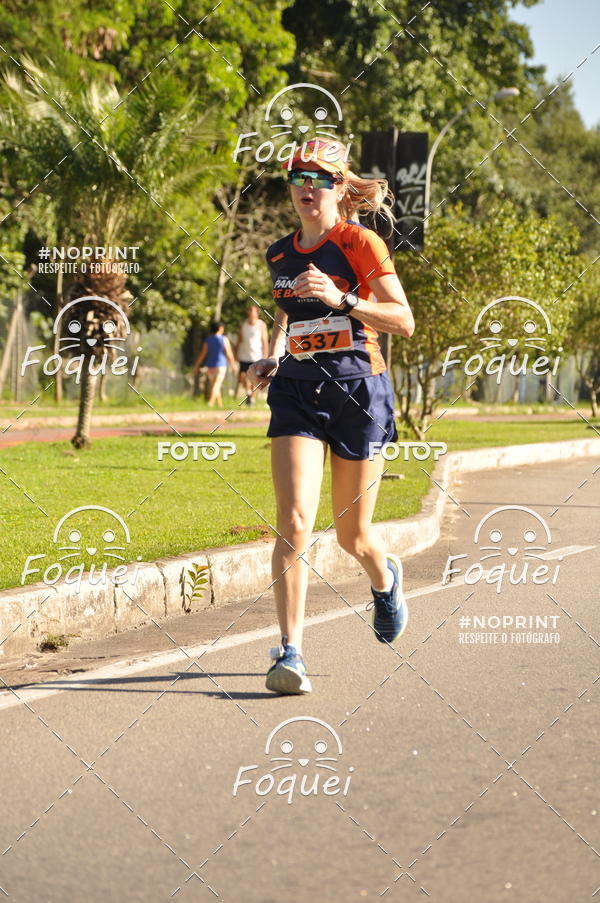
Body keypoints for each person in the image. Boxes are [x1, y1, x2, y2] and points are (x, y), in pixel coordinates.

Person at [249, 137, 415, 696]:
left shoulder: (360, 243)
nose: (303, 188)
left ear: (340, 188)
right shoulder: (279, 253)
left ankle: (384, 576)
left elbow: (402, 320)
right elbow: (288, 315)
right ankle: (290, 651)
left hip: (357, 393)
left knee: (353, 536)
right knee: (294, 521)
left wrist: (344, 300)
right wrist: (273, 356)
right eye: (295, 178)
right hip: (296, 391)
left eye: (317, 178)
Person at [193, 320, 237, 408]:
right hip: (220, 366)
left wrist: (196, 365)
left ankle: (220, 406)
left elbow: (203, 354)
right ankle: (210, 403)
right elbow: (229, 354)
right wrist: (233, 365)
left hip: (210, 366)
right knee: (216, 385)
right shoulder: (224, 339)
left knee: (215, 385)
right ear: (220, 328)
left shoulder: (208, 340)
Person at [235, 304, 268, 405]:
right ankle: (248, 393)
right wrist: (236, 351)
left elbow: (265, 341)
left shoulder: (261, 325)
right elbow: (239, 339)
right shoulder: (243, 324)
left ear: (257, 313)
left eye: (252, 311)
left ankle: (252, 399)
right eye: (249, 311)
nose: (250, 313)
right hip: (244, 355)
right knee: (242, 376)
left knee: (254, 378)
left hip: (257, 355)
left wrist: (265, 354)